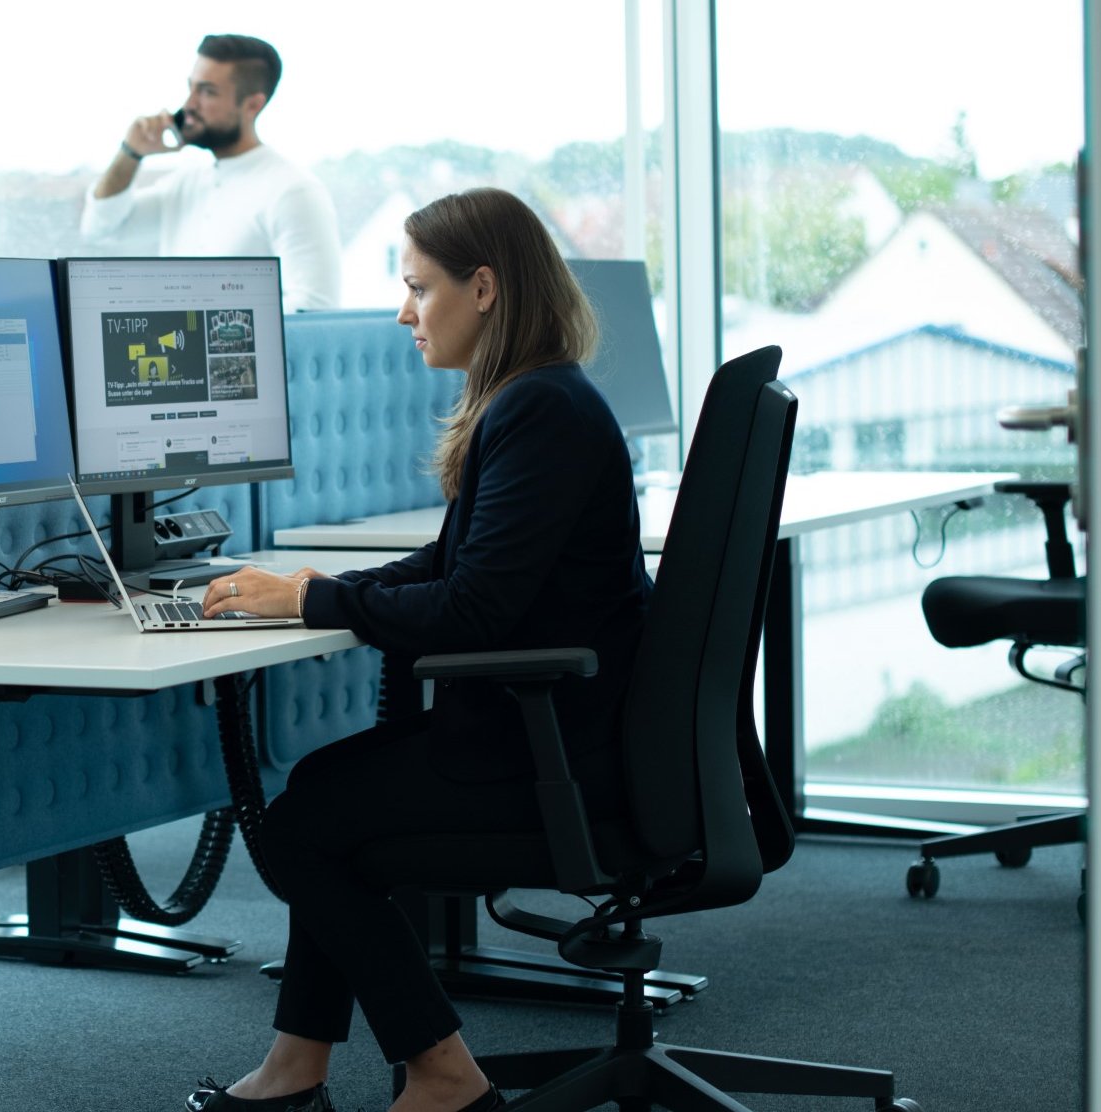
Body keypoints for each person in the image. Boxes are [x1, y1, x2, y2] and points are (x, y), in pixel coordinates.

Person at [187, 188, 649, 1112]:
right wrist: (316, 593)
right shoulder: (537, 398)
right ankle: (295, 1070)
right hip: (562, 734)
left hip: (554, 755)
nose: (403, 312)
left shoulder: (542, 410)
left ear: (483, 288)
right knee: (317, 796)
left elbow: (473, 608)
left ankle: (442, 1076)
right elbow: (452, 560)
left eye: (417, 288)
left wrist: (318, 603)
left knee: (303, 831)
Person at [81, 34, 342, 312]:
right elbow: (100, 228)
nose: (189, 104)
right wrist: (131, 153)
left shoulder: (292, 191)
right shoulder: (184, 184)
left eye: (207, 92)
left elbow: (314, 308)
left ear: (253, 105)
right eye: (190, 88)